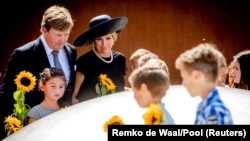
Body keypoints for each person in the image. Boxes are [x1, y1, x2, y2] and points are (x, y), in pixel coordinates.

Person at [0, 5, 76, 139]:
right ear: (43, 30)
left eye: (66, 34)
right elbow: (5, 95)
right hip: (33, 129)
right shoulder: (22, 55)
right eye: (58, 35)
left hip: (63, 127)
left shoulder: (71, 51)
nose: (63, 40)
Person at [71, 14, 128, 104]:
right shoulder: (84, 61)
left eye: (108, 38)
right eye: (99, 39)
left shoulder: (120, 59)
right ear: (93, 41)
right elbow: (75, 95)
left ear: (114, 38)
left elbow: (120, 87)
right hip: (90, 111)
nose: (104, 44)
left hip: (116, 109)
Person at [175, 43, 233, 125]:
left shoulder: (213, 112)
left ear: (197, 76)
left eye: (184, 78)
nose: (183, 84)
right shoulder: (205, 107)